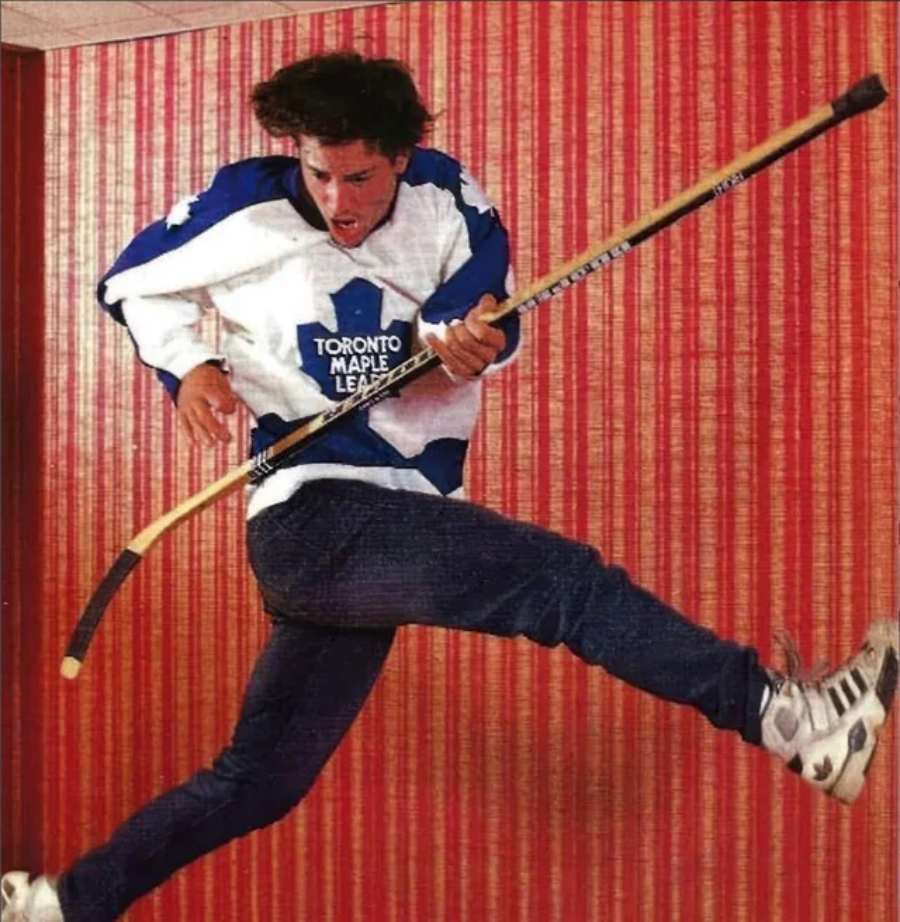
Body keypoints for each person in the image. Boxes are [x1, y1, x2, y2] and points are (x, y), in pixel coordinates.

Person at [3, 51, 897, 922]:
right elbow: (129, 285)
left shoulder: (449, 200)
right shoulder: (243, 201)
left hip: (398, 517)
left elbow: (480, 318)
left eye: (358, 179)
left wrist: (471, 342)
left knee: (258, 782)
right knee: (564, 585)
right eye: (319, 174)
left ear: (399, 157)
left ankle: (62, 908)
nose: (335, 202)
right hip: (312, 513)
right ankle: (788, 720)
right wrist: (191, 367)